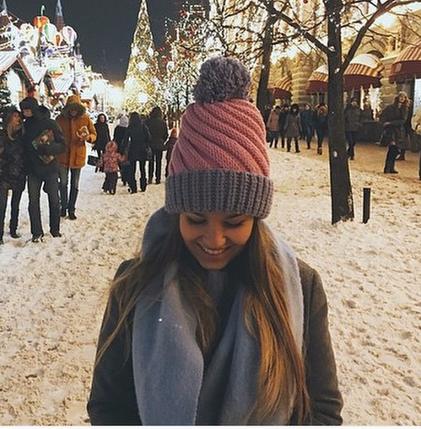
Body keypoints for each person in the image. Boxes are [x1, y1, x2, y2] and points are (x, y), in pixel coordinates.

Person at [87, 56, 343, 425]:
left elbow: (322, 410)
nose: (214, 238)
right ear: (177, 212)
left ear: (256, 216)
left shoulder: (302, 288)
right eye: (196, 219)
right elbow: (109, 407)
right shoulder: (135, 285)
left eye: (235, 222)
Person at [19, 97, 65, 242]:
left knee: (54, 200)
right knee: (33, 202)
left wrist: (49, 149)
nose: (25, 112)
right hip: (33, 169)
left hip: (50, 168)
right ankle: (36, 232)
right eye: (23, 110)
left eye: (27, 109)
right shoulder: (25, 125)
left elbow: (62, 145)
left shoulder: (50, 123)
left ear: (33, 109)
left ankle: (55, 229)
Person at [56, 95, 97, 220]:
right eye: (71, 108)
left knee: (75, 184)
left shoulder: (85, 118)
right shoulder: (60, 119)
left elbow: (94, 134)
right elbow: (54, 134)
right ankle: (63, 207)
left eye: (75, 108)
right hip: (62, 156)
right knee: (63, 183)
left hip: (77, 156)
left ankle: (71, 209)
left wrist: (88, 137)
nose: (73, 111)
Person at [0, 108, 25, 244]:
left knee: (16, 204)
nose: (18, 118)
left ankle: (13, 229)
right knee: (2, 205)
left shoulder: (23, 134)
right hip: (4, 173)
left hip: (19, 173)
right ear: (9, 118)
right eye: (15, 116)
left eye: (18, 116)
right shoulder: (2, 135)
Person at [379, 92, 409, 174]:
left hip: (399, 131)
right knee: (392, 148)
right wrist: (384, 123)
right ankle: (387, 168)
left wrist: (390, 123)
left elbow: (402, 120)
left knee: (396, 150)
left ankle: (391, 167)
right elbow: (383, 115)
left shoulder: (404, 109)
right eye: (401, 97)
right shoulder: (390, 107)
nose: (402, 98)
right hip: (390, 131)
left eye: (404, 97)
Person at [124, 112, 151, 193]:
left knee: (132, 170)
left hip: (133, 149)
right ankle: (143, 186)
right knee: (142, 169)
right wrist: (146, 145)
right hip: (142, 149)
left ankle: (133, 187)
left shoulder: (130, 127)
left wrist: (123, 149)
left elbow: (125, 139)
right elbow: (149, 137)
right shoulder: (143, 126)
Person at [146, 107, 169, 185]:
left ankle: (150, 177)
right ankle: (158, 178)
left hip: (150, 144)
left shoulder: (148, 122)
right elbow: (166, 134)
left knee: (151, 162)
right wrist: (162, 141)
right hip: (159, 144)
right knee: (158, 162)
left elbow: (146, 133)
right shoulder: (163, 123)